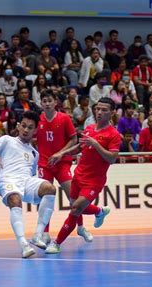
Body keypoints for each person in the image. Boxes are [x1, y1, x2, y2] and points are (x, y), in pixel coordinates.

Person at [45, 98, 120, 254]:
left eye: (104, 110)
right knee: (76, 207)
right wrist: (61, 154)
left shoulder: (113, 135)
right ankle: (99, 211)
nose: (99, 112)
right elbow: (79, 147)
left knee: (75, 208)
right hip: (78, 175)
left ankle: (56, 243)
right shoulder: (90, 128)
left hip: (94, 181)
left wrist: (96, 144)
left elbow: (112, 158)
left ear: (112, 113)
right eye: (98, 109)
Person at [0, 111, 57, 258]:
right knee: (15, 199)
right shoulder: (7, 140)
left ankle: (38, 235)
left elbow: (32, 175)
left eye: (30, 127)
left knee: (50, 188)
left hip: (26, 181)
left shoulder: (35, 153)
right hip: (7, 179)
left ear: (35, 130)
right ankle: (23, 245)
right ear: (18, 126)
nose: (26, 130)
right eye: (23, 126)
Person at [35, 90, 93, 244]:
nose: (47, 103)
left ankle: (80, 227)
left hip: (62, 163)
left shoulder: (64, 118)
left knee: (74, 198)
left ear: (55, 102)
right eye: (44, 101)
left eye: (49, 101)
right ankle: (45, 233)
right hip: (44, 165)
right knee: (44, 200)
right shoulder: (37, 120)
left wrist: (60, 154)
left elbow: (74, 139)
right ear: (41, 103)